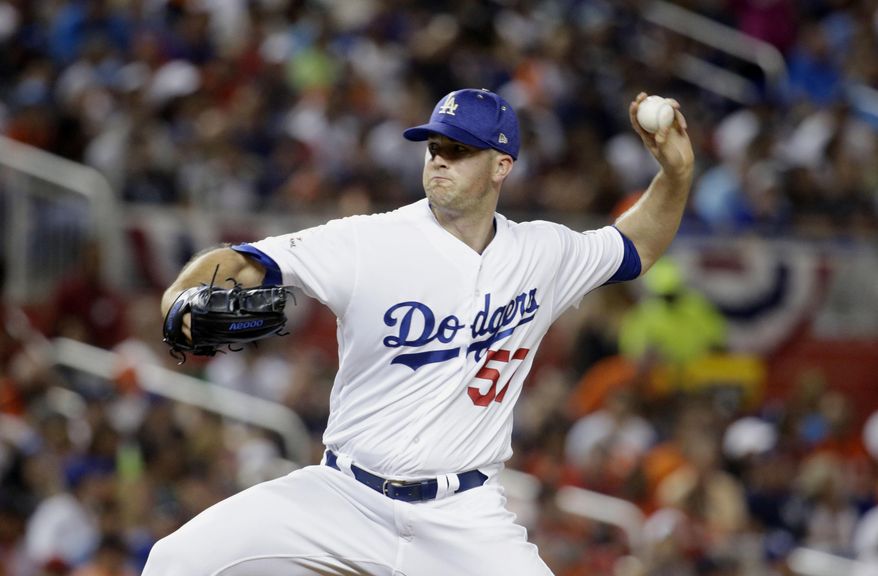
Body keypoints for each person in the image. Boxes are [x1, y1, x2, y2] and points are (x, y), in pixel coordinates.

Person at [143, 88, 694, 575]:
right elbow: (242, 261)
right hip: (343, 497)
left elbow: (635, 246)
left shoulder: (542, 252)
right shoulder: (369, 242)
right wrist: (179, 295)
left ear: (502, 165)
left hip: (463, 516)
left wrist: (676, 175)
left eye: (459, 150)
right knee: (176, 562)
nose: (439, 160)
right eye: (434, 147)